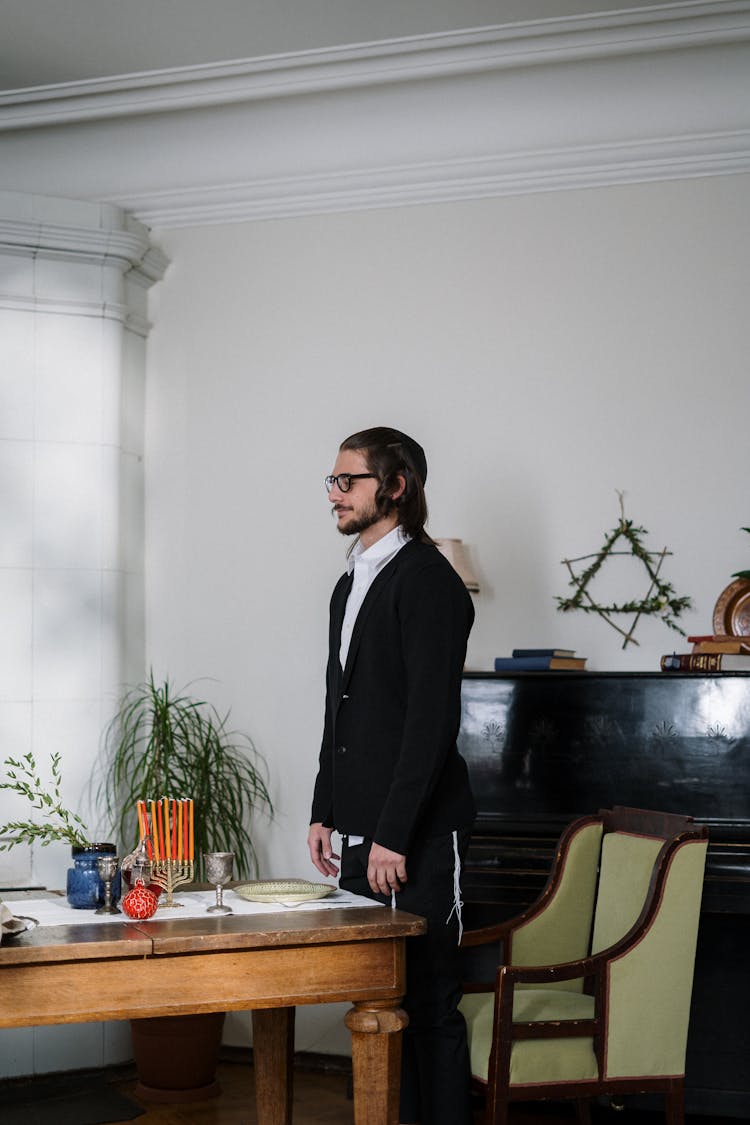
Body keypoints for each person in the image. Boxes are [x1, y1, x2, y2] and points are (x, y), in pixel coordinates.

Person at [308, 426, 476, 1125]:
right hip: (359, 834)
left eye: (349, 481)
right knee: (380, 1002)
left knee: (431, 1005)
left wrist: (393, 836)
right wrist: (324, 809)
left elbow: (429, 725)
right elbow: (341, 709)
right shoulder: (349, 582)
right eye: (333, 481)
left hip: (419, 838)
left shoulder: (431, 581)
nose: (335, 494)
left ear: (397, 487)